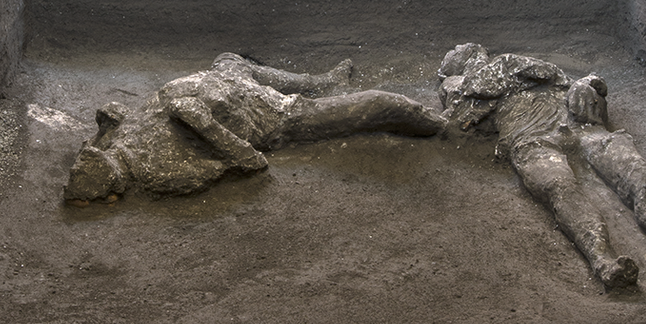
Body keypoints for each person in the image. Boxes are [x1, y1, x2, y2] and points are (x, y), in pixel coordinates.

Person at [437, 44, 646, 290]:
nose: (470, 51)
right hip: (531, 138)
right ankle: (603, 261)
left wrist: (588, 85)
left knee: (641, 176)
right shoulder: (461, 86)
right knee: (560, 188)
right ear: (454, 71)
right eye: (462, 55)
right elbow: (461, 118)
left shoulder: (519, 67)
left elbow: (577, 81)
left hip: (581, 125)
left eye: (472, 50)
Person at [64, 52, 441, 202]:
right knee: (379, 104)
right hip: (267, 115)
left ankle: (321, 79)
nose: (108, 153)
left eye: (102, 153)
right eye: (108, 162)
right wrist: (202, 123)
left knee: (231, 59)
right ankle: (442, 123)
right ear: (117, 182)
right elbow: (249, 161)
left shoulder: (113, 143)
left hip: (218, 79)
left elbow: (111, 114)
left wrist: (104, 130)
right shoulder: (160, 176)